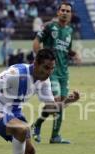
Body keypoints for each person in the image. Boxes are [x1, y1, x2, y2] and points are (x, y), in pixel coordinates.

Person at [32, 2, 81, 144]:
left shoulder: (69, 31)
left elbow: (67, 50)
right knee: (57, 101)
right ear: (58, 12)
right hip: (51, 71)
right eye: (63, 10)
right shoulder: (49, 26)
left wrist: (75, 55)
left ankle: (45, 129)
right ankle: (53, 134)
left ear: (70, 14)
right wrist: (38, 60)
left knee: (62, 104)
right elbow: (36, 42)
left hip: (64, 73)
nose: (65, 12)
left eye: (68, 11)